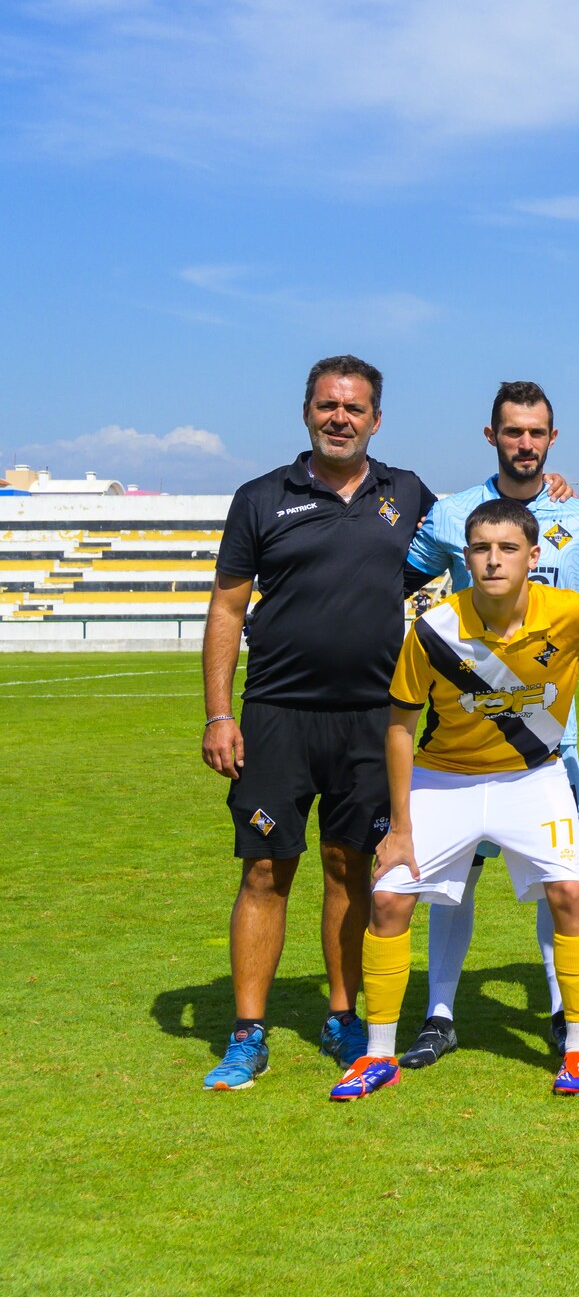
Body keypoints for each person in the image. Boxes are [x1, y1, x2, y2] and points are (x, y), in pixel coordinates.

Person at [200, 356, 439, 1090]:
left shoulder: (408, 493)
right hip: (278, 714)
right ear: (307, 412)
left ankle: (342, 1016)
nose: (340, 418)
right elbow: (227, 608)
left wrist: (557, 485)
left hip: (374, 719)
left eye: (354, 407)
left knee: (349, 866)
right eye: (328, 405)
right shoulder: (261, 497)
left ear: (376, 419)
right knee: (265, 869)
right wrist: (219, 713)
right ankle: (247, 1033)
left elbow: (486, 526)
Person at [334, 501, 579, 1100]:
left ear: (533, 557)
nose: (493, 560)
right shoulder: (433, 628)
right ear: (465, 557)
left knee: (570, 895)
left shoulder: (569, 610)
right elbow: (400, 727)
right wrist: (400, 826)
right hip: (444, 780)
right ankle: (377, 1056)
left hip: (533, 777)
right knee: (388, 900)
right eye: (481, 548)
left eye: (507, 548)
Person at [397, 380, 579, 1069]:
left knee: (561, 885)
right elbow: (398, 581)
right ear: (491, 436)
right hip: (458, 740)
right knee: (452, 882)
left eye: (536, 432)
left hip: (551, 742)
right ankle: (439, 1014)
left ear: (553, 439)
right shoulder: (451, 513)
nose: (525, 443)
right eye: (513, 431)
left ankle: (562, 1009)